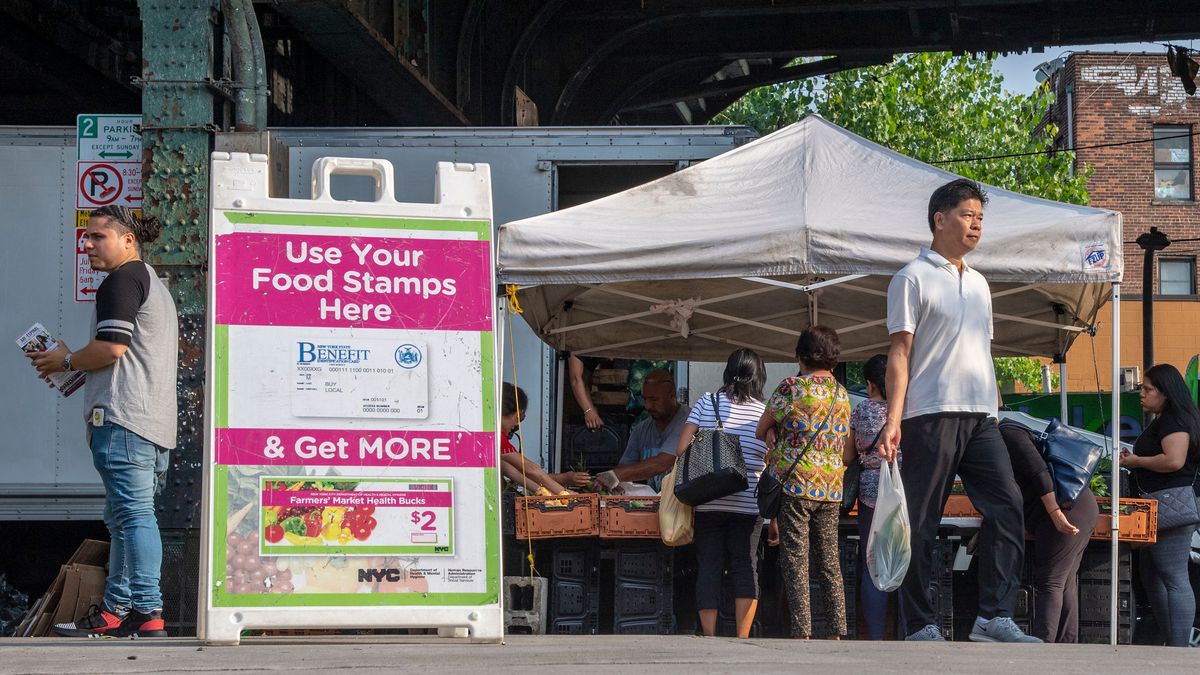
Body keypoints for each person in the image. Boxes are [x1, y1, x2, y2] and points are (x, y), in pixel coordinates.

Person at [879, 178, 1039, 643]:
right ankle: (921, 624)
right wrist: (893, 419)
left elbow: (978, 350)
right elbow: (900, 355)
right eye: (969, 216)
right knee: (921, 523)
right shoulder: (911, 277)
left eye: (981, 218)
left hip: (981, 415)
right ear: (940, 219)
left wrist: (993, 403)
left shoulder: (982, 284)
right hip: (930, 413)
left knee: (1009, 507)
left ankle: (993, 616)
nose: (976, 225)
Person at [28, 205, 176, 638]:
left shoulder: (121, 280)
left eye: (98, 237)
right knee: (124, 517)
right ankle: (116, 610)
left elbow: (111, 348)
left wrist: (68, 358)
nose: (87, 245)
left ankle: (146, 611)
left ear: (128, 240)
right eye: (85, 238)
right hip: (151, 421)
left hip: (123, 419)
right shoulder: (152, 283)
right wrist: (69, 360)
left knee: (133, 516)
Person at [756, 326, 851, 639]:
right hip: (831, 487)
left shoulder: (791, 388)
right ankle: (837, 630)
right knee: (829, 561)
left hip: (797, 485)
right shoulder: (842, 394)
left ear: (800, 356)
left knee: (796, 559)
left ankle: (802, 630)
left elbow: (761, 428)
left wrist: (774, 433)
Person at [672, 349, 769, 638]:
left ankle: (710, 636)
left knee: (709, 565)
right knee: (744, 565)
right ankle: (742, 636)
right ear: (758, 376)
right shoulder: (765, 412)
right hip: (749, 503)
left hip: (709, 500)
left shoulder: (706, 402)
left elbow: (680, 450)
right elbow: (770, 457)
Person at [1120, 364, 1200, 647]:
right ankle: (1172, 642)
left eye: (1147, 389)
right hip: (1159, 507)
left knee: (1173, 575)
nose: (1141, 394)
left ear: (1166, 393)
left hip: (1169, 507)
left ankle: (1178, 648)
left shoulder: (1174, 421)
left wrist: (1136, 462)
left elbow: (1174, 460)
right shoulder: (1169, 419)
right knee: (1152, 575)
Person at [998, 422, 1098, 643]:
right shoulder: (1009, 434)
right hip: (1079, 505)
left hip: (1067, 508)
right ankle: (1064, 649)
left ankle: (1044, 648)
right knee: (1065, 582)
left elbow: (1039, 472)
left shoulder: (1008, 433)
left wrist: (1055, 512)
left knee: (1051, 582)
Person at [845, 354, 899, 640]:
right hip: (901, 492)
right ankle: (906, 631)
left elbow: (846, 455)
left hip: (869, 494)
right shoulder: (905, 411)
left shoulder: (862, 410)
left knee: (872, 563)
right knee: (902, 557)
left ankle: (876, 635)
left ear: (869, 385)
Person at [596, 370, 688, 492]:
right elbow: (625, 467)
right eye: (645, 399)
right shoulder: (640, 430)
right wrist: (616, 480)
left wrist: (616, 475)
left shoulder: (688, 422)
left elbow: (662, 463)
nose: (647, 406)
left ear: (672, 395)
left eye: (654, 399)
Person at [499, 382, 589, 494]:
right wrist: (565, 494)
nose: (516, 426)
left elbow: (515, 473)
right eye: (518, 418)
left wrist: (551, 493)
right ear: (508, 413)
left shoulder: (493, 438)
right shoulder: (496, 438)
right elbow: (530, 469)